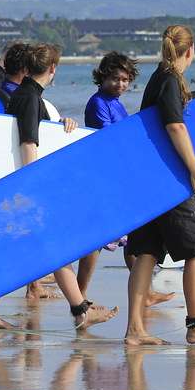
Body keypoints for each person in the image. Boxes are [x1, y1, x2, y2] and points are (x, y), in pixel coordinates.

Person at [0, 43, 118, 331]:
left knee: (21, 251)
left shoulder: (27, 95)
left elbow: (34, 132)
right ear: (52, 69)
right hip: (25, 187)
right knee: (53, 248)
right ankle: (80, 310)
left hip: (15, 187)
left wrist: (61, 125)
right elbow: (28, 142)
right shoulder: (29, 98)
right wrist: (33, 187)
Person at [124, 25, 195, 346]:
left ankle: (135, 330)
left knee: (147, 252)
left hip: (150, 179)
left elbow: (180, 132)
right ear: (190, 51)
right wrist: (194, 170)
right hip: (170, 181)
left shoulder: (159, 78)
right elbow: (175, 128)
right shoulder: (171, 81)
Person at [75, 52, 176, 304]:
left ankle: (145, 293)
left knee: (133, 237)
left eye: (125, 80)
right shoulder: (98, 103)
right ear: (102, 77)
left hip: (120, 178)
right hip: (106, 179)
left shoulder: (116, 103)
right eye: (116, 79)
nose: (121, 84)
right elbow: (111, 139)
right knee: (97, 239)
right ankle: (79, 295)